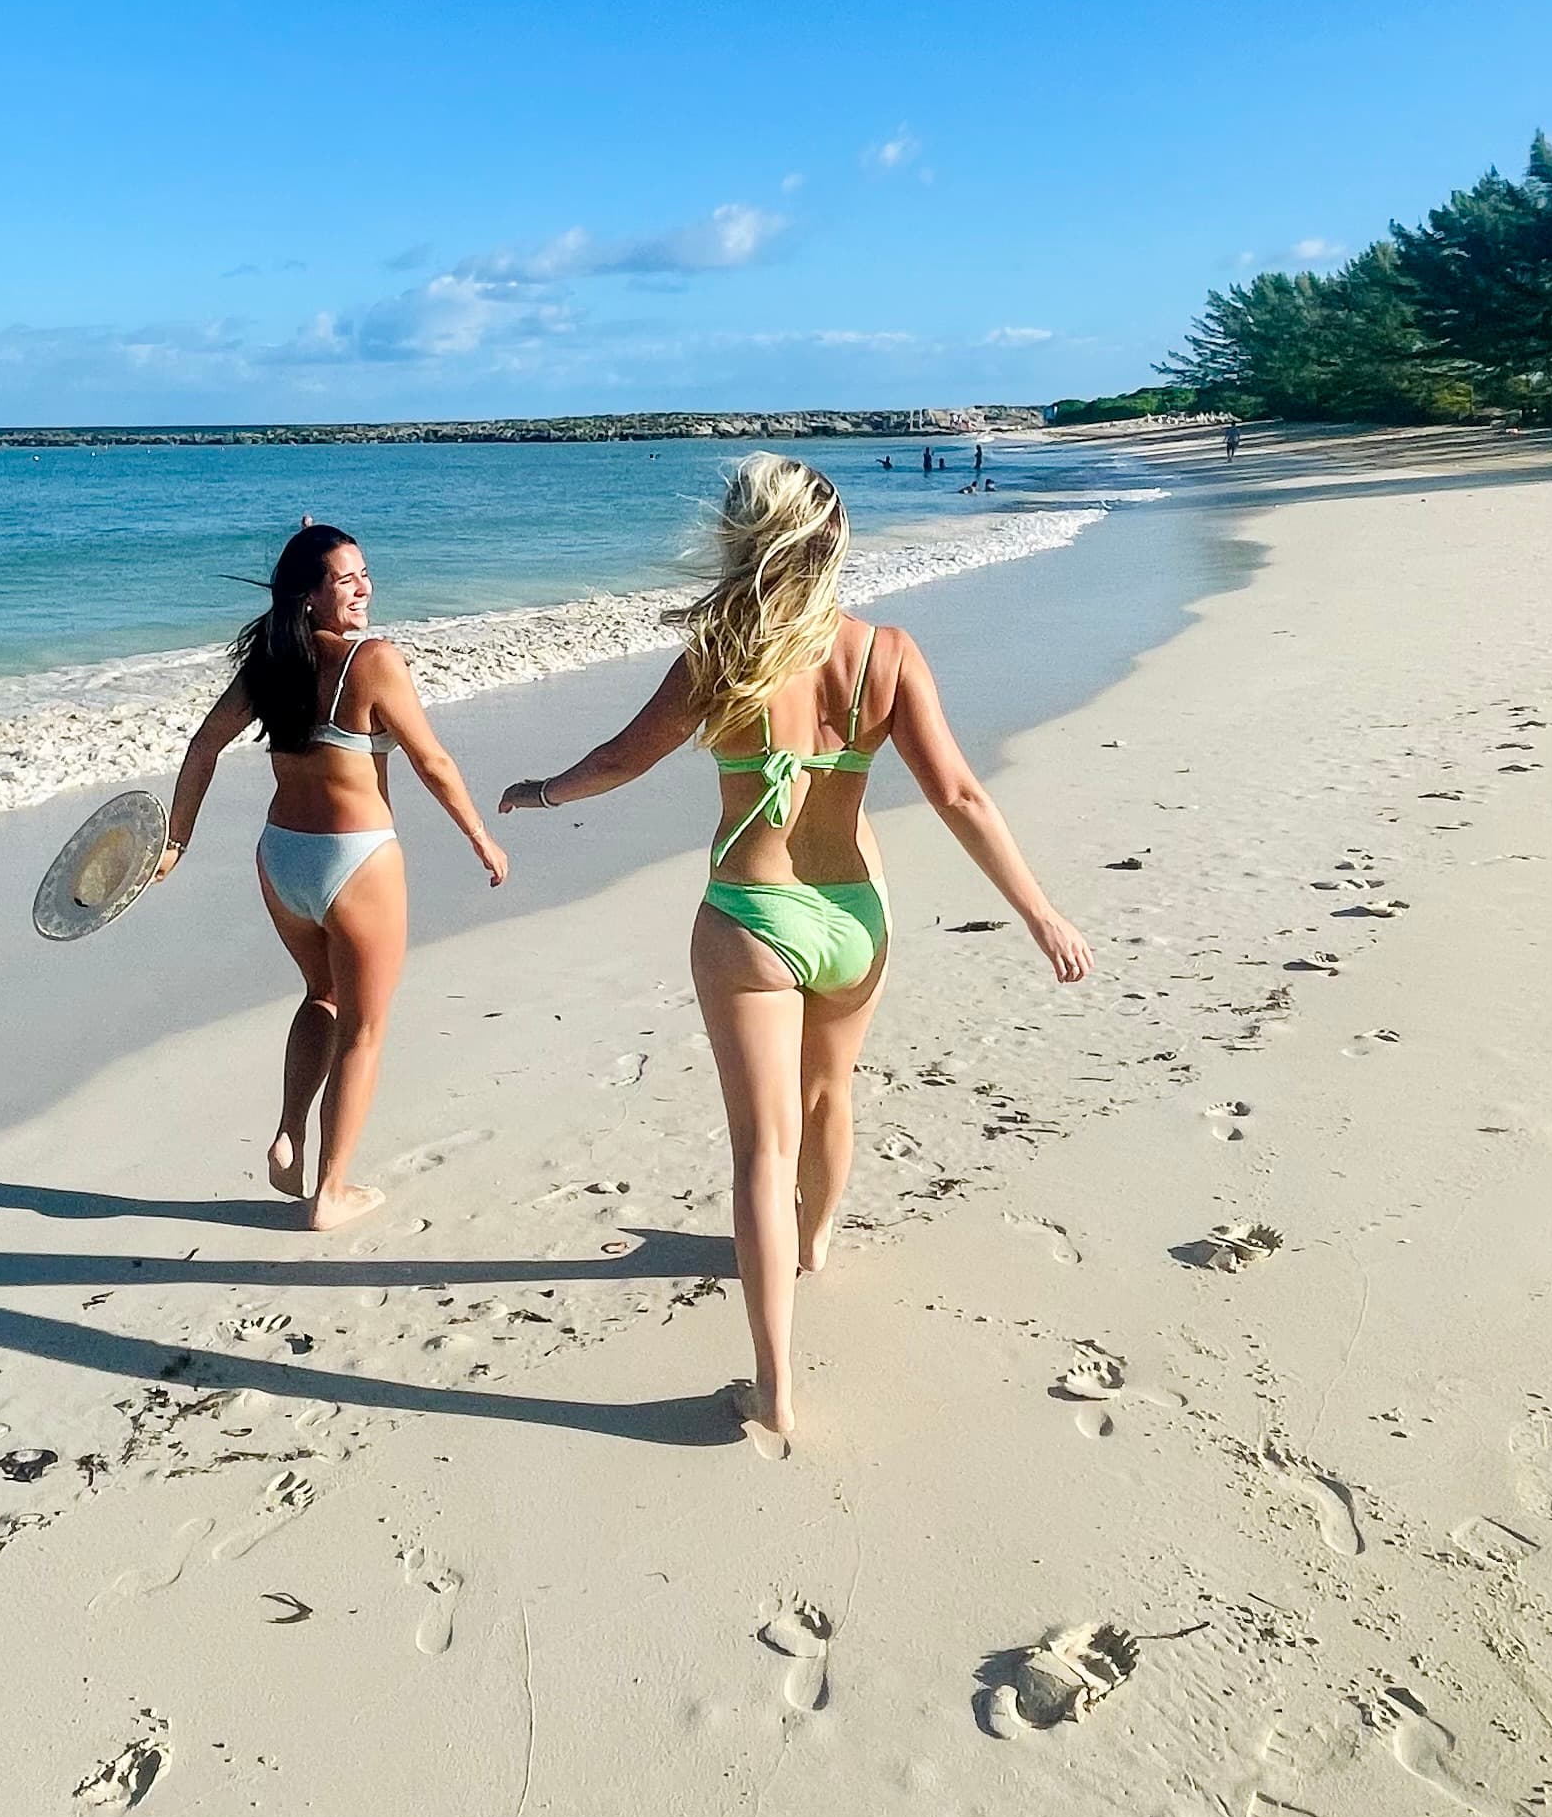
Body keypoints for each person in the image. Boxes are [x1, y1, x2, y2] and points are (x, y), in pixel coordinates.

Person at [499, 455, 1092, 1441]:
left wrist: (543, 793)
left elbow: (617, 761)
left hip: (751, 917)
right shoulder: (885, 654)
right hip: (854, 917)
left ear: (743, 540)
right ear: (836, 540)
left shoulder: (716, 655)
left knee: (760, 1153)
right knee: (832, 1096)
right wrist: (1038, 913)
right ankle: (817, 1244)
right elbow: (959, 795)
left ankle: (774, 1387)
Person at [160, 525, 506, 1230]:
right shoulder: (374, 661)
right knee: (365, 1027)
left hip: (281, 857)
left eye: (365, 574)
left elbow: (202, 747)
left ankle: (290, 1132)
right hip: (358, 861)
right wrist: (481, 837)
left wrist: (178, 840)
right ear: (311, 597)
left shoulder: (271, 661)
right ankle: (331, 1191)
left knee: (322, 993)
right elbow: (431, 762)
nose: (364, 588)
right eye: (346, 579)